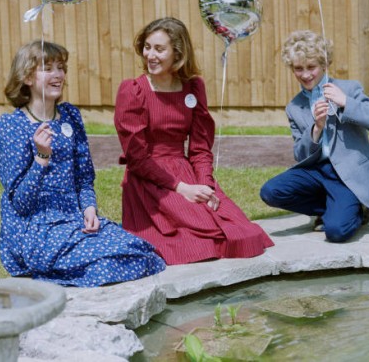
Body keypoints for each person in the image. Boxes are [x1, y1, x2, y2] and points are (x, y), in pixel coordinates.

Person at [0, 40, 166, 287]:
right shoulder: (10, 127)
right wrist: (41, 157)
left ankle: (61, 270)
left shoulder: (70, 116)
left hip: (74, 218)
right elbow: (21, 203)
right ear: (27, 77)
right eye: (47, 68)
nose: (58, 74)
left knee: (143, 255)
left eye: (61, 67)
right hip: (36, 227)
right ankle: (49, 276)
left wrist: (89, 210)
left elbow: (84, 177)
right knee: (105, 267)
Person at [114, 17, 274, 265]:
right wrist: (182, 188)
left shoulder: (193, 88)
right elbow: (137, 159)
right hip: (151, 179)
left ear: (177, 52)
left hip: (186, 172)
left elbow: (200, 149)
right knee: (195, 244)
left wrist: (205, 185)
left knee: (243, 235)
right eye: (147, 47)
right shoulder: (133, 91)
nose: (150, 55)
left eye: (159, 49)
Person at [260, 30, 369, 242]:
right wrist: (316, 129)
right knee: (270, 191)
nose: (305, 75)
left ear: (325, 64)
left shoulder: (349, 88)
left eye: (311, 67)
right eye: (298, 69)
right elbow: (300, 154)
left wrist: (346, 102)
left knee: (336, 232)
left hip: (347, 175)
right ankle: (333, 206)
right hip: (315, 172)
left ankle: (358, 209)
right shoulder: (294, 107)